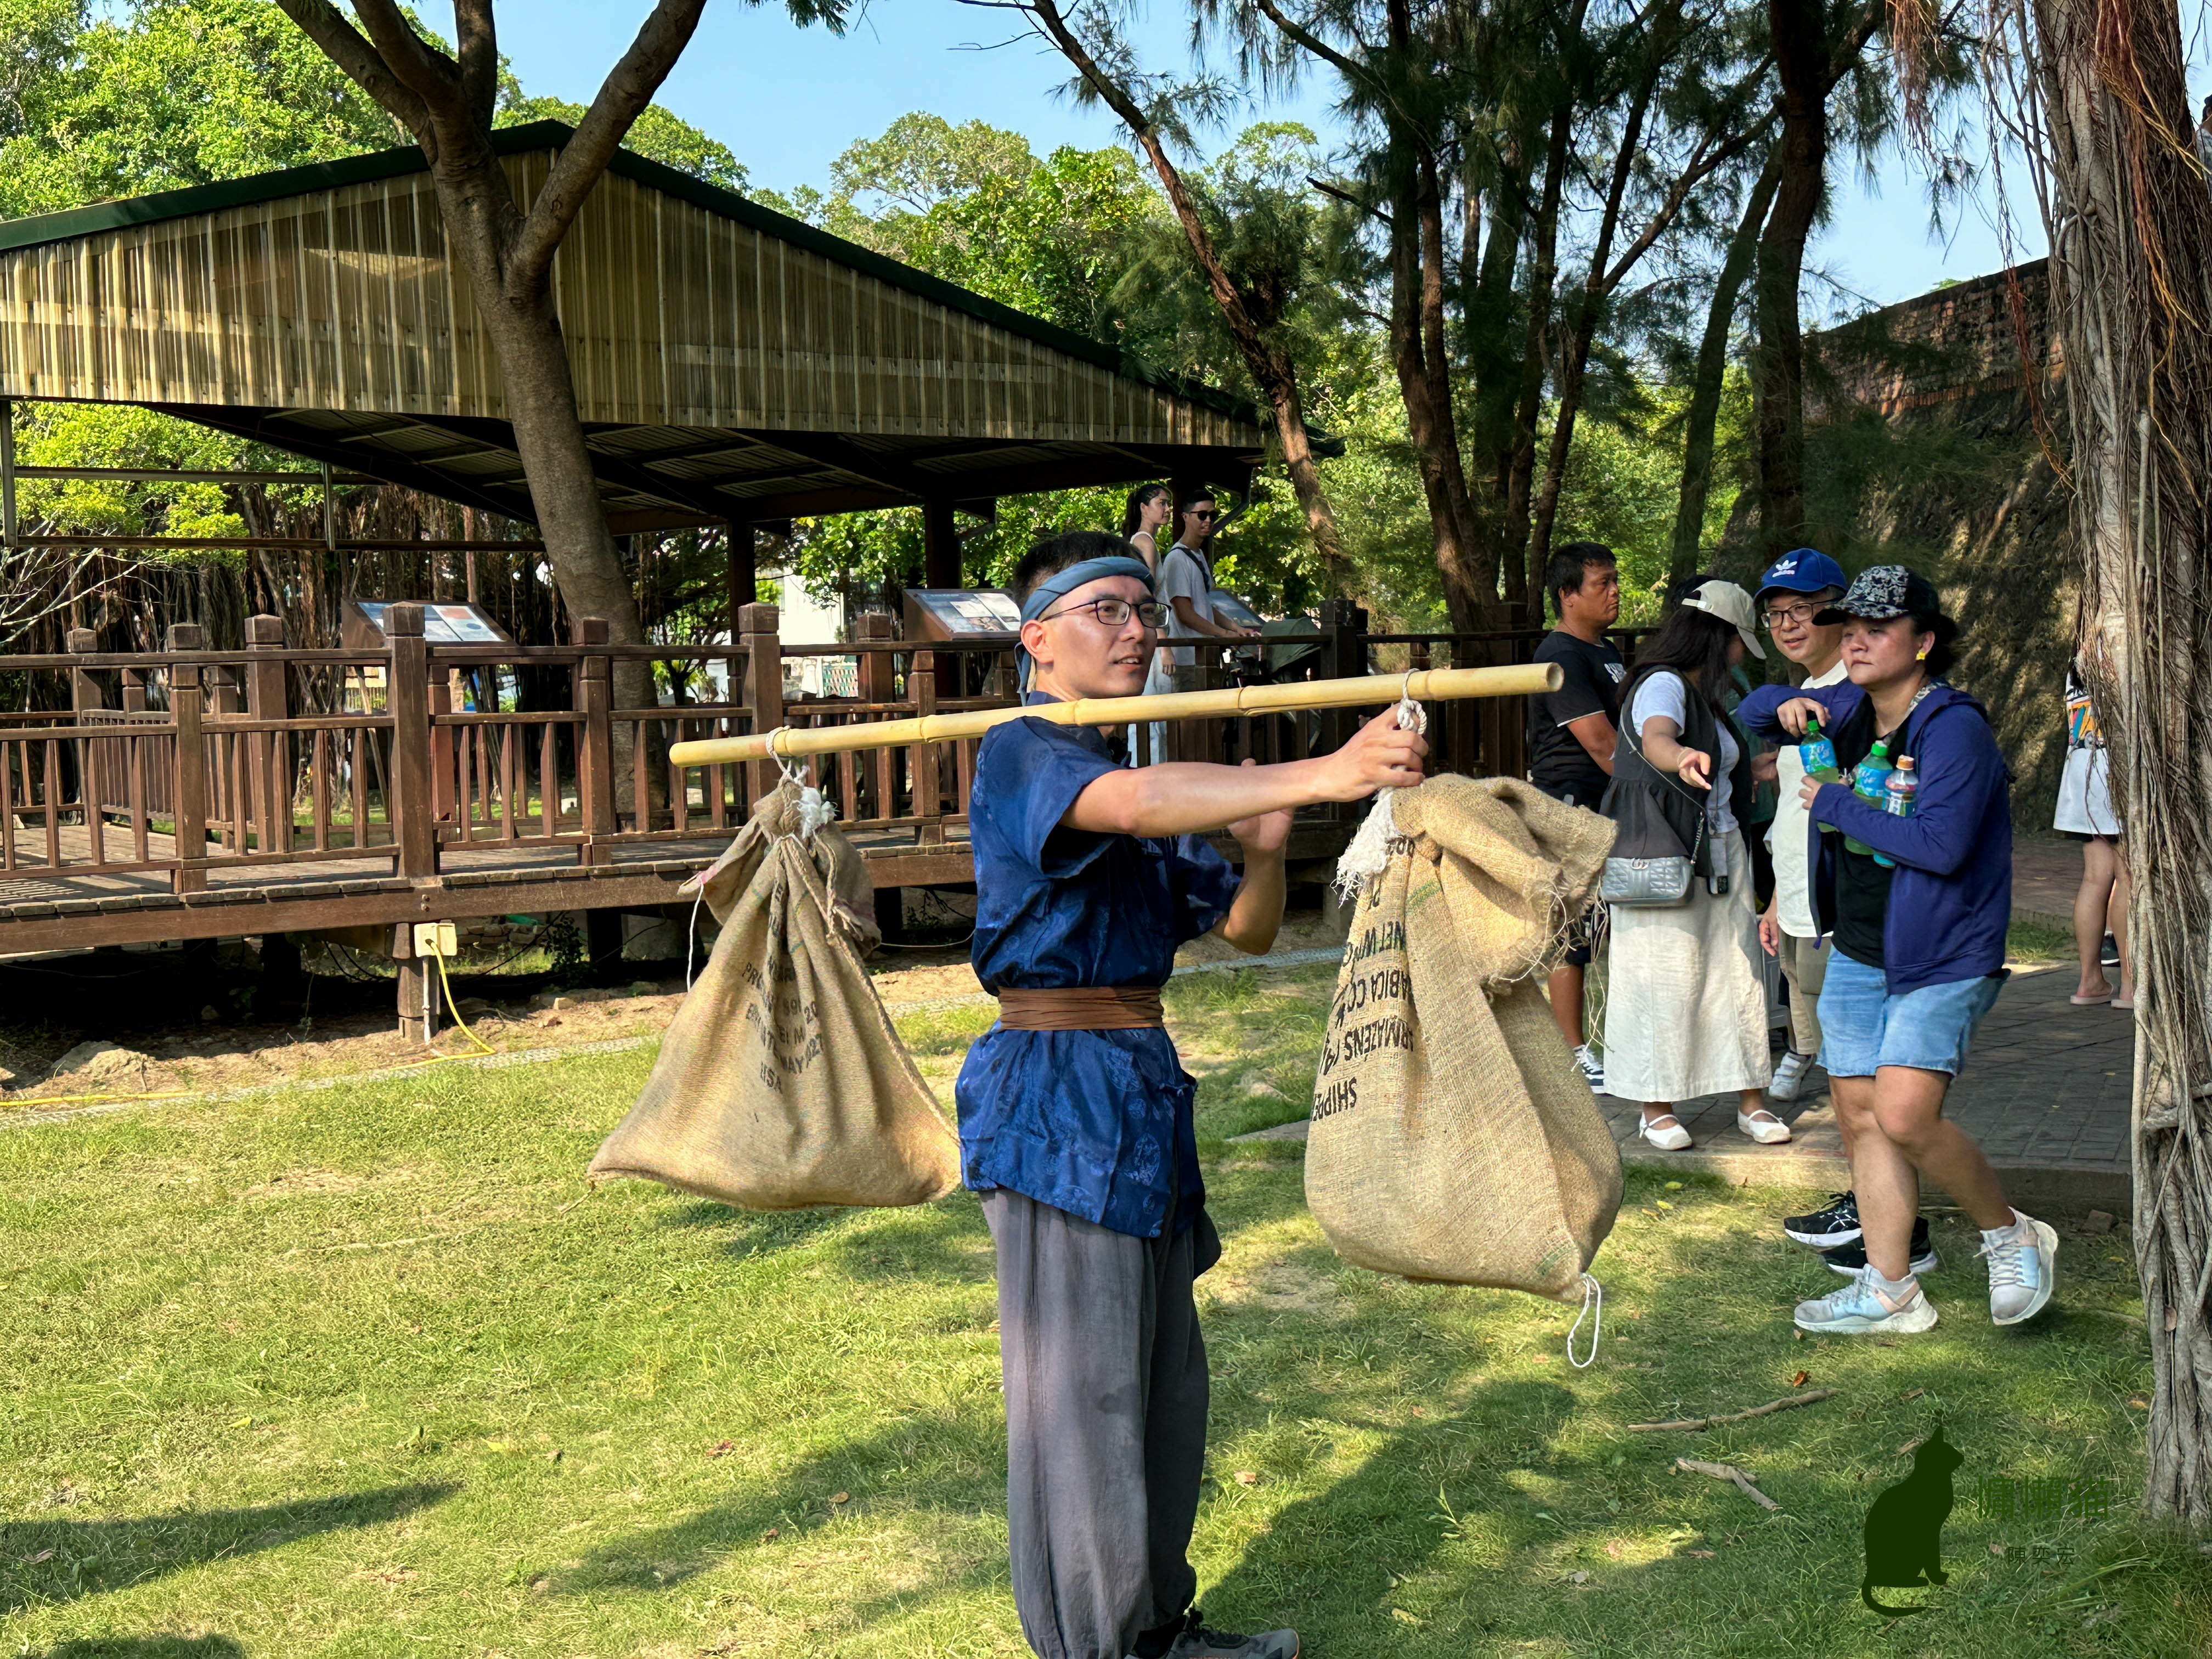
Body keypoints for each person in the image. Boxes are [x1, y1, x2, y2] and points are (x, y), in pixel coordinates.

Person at [958, 529, 1425, 1659]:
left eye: (1139, 608)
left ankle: (1155, 1626)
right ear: (1038, 638)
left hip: (1140, 1095)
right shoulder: (1026, 754)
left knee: (1162, 1387)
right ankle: (1096, 1644)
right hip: (1055, 1102)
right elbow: (1133, 805)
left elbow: (1248, 932)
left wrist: (1268, 853)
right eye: (1104, 611)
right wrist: (1326, 771)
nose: (1134, 628)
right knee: (1083, 1402)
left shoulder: (1133, 776)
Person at [1743, 565, 2059, 1335]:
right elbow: (1752, 710)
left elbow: (1942, 844)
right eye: (1848, 626)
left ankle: (2010, 1232)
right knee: (1860, 1117)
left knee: (1906, 1115)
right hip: (1858, 949)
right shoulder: (1848, 708)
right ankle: (1891, 1290)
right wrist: (1784, 704)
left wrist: (1838, 802)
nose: (1856, 638)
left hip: (1941, 957)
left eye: (1876, 629)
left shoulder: (1953, 727)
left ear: (1923, 644)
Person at [1602, 577, 1785, 1149]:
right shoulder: (1663, 685)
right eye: (1738, 644)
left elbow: (1716, 772)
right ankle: (1655, 1107)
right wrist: (1679, 755)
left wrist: (1753, 771)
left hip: (1723, 851)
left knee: (1740, 977)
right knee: (1663, 977)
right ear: (1718, 637)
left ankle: (1750, 1099)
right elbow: (1656, 737)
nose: (1738, 658)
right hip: (1669, 858)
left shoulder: (1704, 695)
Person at [1526, 540, 1624, 1090]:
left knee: (1613, 926)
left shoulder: (1604, 649)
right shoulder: (1560, 656)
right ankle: (1571, 1053)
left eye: (1615, 580)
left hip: (1609, 803)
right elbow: (1602, 744)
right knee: (1573, 930)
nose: (1615, 592)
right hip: (1571, 803)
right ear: (1567, 596)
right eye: (1602, 583)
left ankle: (1615, 1042)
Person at [1754, 550, 1852, 1103]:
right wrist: (1774, 902)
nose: (1787, 626)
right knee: (1802, 989)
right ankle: (1807, 1058)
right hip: (1795, 891)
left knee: (1842, 1024)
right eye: (1776, 615)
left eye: (1802, 610)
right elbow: (1795, 807)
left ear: (1837, 612)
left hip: (1835, 892)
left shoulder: (1851, 693)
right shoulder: (1800, 693)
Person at [1144, 490, 1256, 763]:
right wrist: (1224, 635)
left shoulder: (1198, 557)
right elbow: (1184, 613)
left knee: (1203, 732)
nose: (1208, 521)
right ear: (1186, 518)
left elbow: (1205, 605)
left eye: (1213, 515)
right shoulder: (1177, 559)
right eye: (1202, 515)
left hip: (1201, 659)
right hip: (1185, 661)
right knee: (1188, 735)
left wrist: (1235, 628)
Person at [2056, 660, 2131, 1009]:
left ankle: (2090, 980)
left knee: (2095, 879)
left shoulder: (2077, 663)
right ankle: (2130, 985)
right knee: (2128, 878)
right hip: (2119, 773)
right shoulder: (2120, 650)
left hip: (2081, 773)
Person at [1122, 483, 1173, 575]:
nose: (1168, 509)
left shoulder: (1145, 540)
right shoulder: (1146, 543)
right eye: (1162, 503)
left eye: (1168, 504)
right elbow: (1149, 588)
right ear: (1143, 507)